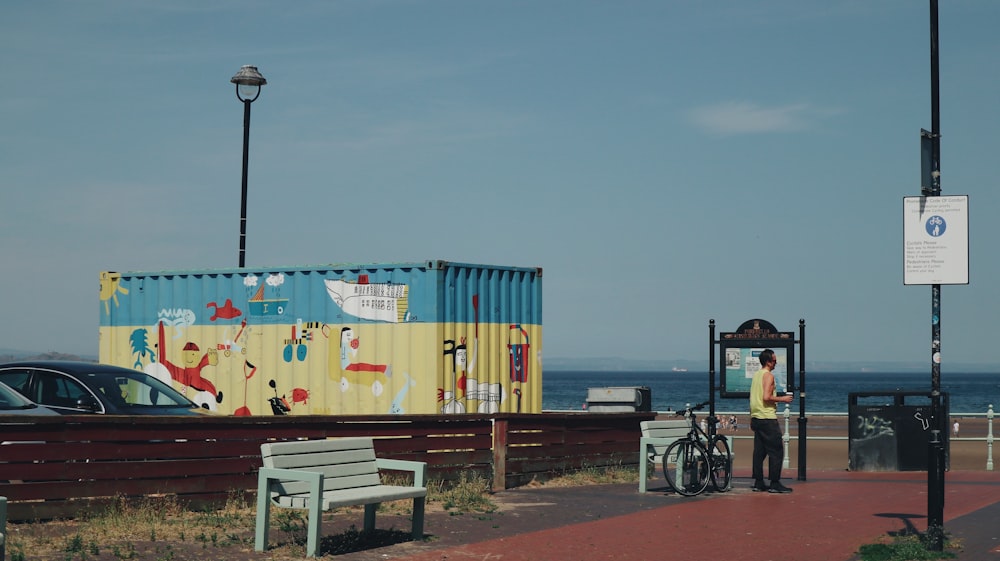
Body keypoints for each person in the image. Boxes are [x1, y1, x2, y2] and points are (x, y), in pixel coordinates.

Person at [750, 349, 794, 493]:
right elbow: (766, 397)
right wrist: (783, 399)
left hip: (756, 417)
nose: (776, 363)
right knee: (777, 451)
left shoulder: (757, 375)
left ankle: (758, 481)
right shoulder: (768, 376)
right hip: (767, 418)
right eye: (774, 360)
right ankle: (774, 483)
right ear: (768, 362)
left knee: (760, 451)